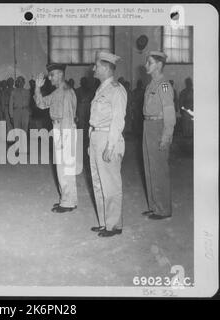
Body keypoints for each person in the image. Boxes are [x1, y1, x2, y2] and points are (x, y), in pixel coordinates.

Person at [88, 52, 127, 237]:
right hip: (96, 137)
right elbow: (94, 119)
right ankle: (105, 222)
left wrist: (110, 146)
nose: (93, 68)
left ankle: (114, 225)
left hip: (108, 138)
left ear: (105, 67)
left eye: (96, 65)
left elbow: (118, 121)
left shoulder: (116, 89)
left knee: (110, 184)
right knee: (98, 183)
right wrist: (91, 141)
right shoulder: (101, 89)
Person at [34, 63, 78, 213]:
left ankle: (68, 202)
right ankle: (69, 199)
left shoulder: (66, 92)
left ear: (60, 75)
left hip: (64, 129)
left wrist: (64, 138)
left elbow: (69, 116)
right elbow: (41, 104)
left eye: (52, 75)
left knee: (65, 167)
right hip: (59, 128)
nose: (50, 78)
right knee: (63, 167)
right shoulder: (57, 92)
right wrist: (37, 88)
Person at [141, 51, 176, 220]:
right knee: (149, 168)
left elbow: (169, 112)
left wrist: (166, 136)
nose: (146, 65)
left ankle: (163, 209)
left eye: (150, 62)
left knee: (159, 170)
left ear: (159, 65)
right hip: (148, 125)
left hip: (158, 126)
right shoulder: (151, 85)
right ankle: (154, 206)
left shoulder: (163, 85)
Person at [9, 76, 31, 151]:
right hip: (16, 112)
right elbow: (10, 104)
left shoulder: (27, 92)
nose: (21, 83)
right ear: (17, 83)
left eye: (22, 82)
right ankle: (17, 149)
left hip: (25, 112)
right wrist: (11, 116)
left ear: (24, 83)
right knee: (17, 130)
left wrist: (29, 113)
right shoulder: (13, 92)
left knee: (25, 130)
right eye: (19, 82)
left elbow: (30, 103)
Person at [75, 77, 94, 148]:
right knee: (81, 126)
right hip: (80, 110)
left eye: (85, 82)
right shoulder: (77, 91)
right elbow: (75, 102)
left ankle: (87, 140)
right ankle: (80, 141)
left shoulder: (90, 91)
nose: (84, 83)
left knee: (88, 125)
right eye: (83, 81)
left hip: (88, 110)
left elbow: (92, 100)